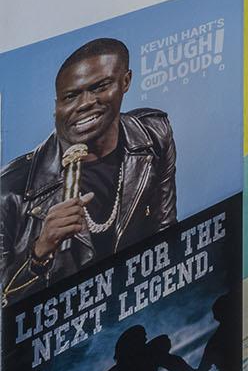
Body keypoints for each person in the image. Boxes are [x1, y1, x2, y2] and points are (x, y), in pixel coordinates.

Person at [1, 38, 176, 300]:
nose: (84, 104)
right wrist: (41, 250)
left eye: (99, 87)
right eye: (70, 96)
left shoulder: (153, 135)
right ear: (56, 106)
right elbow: (4, 304)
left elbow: (166, 234)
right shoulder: (11, 190)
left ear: (125, 81)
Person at [85, 326, 206, 371]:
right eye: (143, 339)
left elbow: (172, 361)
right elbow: (171, 361)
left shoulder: (145, 358)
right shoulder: (147, 355)